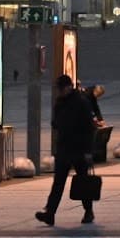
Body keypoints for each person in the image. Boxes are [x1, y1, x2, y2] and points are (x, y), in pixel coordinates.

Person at [34, 75, 98, 226]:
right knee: (58, 183)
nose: (60, 91)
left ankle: (88, 211)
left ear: (69, 87)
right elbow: (55, 123)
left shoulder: (82, 102)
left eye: (61, 88)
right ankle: (50, 213)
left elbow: (90, 128)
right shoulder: (60, 102)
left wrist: (88, 151)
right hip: (63, 148)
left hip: (79, 149)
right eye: (59, 89)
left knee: (83, 182)